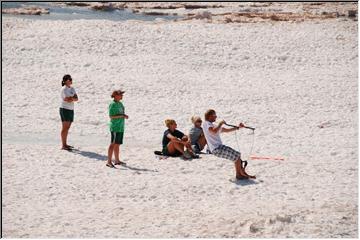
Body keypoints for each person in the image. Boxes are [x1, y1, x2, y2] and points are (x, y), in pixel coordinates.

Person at [202, 109, 255, 180]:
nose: (216, 117)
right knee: (236, 157)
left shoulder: (212, 125)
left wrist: (238, 127)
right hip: (216, 149)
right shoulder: (206, 124)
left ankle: (240, 174)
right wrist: (220, 124)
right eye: (214, 115)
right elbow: (213, 132)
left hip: (220, 147)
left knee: (237, 155)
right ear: (209, 116)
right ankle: (239, 175)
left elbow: (226, 130)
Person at [107, 90, 129, 168]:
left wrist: (124, 115)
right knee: (112, 144)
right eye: (120, 94)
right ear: (115, 95)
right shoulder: (112, 104)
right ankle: (109, 161)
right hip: (115, 127)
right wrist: (122, 116)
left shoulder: (120, 104)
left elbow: (121, 114)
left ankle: (117, 160)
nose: (122, 96)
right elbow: (111, 116)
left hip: (120, 127)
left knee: (117, 144)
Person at [60, 74, 78, 150]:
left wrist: (71, 98)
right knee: (65, 128)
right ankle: (63, 145)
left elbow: (76, 98)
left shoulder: (72, 88)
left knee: (68, 127)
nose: (71, 80)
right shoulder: (63, 89)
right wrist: (72, 98)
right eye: (70, 79)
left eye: (71, 79)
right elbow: (66, 99)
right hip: (64, 109)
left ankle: (65, 144)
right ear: (66, 81)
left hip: (71, 109)